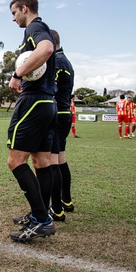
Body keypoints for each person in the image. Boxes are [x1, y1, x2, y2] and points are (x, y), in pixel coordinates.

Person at [7, 0, 57, 242]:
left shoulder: (35, 28)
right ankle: (41, 212)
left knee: (15, 161)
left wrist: (17, 74)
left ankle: (42, 219)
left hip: (34, 101)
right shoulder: (40, 27)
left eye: (14, 13)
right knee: (41, 162)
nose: (13, 19)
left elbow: (46, 48)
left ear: (25, 8)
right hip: (48, 102)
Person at [49, 29, 75, 221]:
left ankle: (56, 209)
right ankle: (66, 200)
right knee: (61, 159)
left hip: (57, 114)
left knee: (52, 162)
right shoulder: (66, 61)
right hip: (65, 113)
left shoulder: (57, 62)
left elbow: (50, 89)